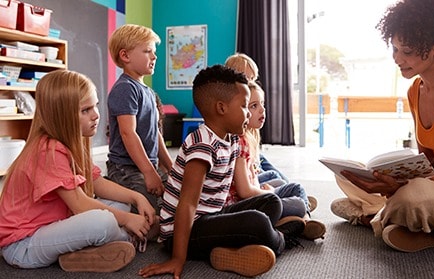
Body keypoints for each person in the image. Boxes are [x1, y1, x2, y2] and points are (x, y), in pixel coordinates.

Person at [330, 0, 434, 253]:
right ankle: (412, 222)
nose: (397, 59)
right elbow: (426, 164)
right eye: (395, 49)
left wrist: (400, 188)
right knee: (349, 175)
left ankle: (373, 216)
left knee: (411, 195)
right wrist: (390, 177)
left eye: (406, 51)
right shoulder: (415, 90)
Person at [139, 65, 303, 278]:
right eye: (245, 106)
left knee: (271, 202)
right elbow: (187, 205)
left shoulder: (232, 138)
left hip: (211, 217)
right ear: (221, 108)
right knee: (258, 222)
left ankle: (231, 251)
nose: (248, 113)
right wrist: (178, 259)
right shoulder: (203, 146)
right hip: (184, 233)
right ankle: (282, 238)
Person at [0, 70, 156, 272]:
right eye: (85, 110)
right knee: (103, 221)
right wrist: (128, 220)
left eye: (96, 106)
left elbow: (97, 183)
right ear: (61, 116)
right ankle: (135, 234)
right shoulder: (48, 151)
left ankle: (82, 255)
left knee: (119, 203)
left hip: (54, 224)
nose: (96, 115)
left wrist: (137, 198)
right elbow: (80, 204)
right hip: (23, 245)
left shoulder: (70, 145)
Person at [226, 81, 326, 240]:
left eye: (262, 104)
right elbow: (244, 191)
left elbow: (250, 180)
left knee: (284, 184)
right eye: (253, 106)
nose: (262, 110)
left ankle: (298, 217)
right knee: (297, 200)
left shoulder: (247, 138)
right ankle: (303, 219)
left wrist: (264, 189)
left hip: (253, 197)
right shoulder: (241, 141)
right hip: (246, 205)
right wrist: (268, 192)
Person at [224, 53, 319, 211]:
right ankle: (299, 208)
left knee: (277, 178)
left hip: (249, 179)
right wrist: (265, 192)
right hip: (243, 196)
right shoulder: (237, 133)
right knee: (276, 179)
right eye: (246, 79)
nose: (250, 83)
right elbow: (244, 189)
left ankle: (297, 203)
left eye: (253, 79)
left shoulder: (249, 132)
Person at [106, 24, 174, 216]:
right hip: (125, 168)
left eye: (154, 52)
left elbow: (156, 134)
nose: (154, 57)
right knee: (152, 211)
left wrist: (172, 169)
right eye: (147, 51)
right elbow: (128, 133)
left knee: (178, 194)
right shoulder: (125, 88)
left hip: (147, 165)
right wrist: (149, 172)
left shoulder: (149, 92)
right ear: (125, 56)